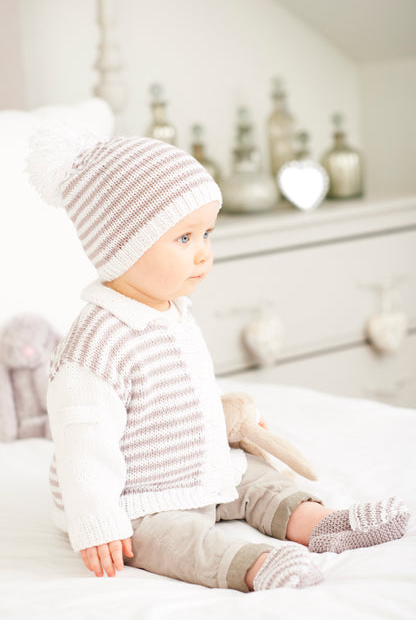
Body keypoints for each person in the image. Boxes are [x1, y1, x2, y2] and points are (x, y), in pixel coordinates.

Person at [27, 132, 410, 592]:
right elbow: (82, 443)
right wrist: (96, 520)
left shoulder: (172, 311)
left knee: (258, 479)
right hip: (140, 497)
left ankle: (323, 524)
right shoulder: (94, 346)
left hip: (197, 466)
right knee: (171, 539)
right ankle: (253, 564)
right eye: (184, 237)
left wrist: (216, 418)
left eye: (207, 233)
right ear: (122, 246)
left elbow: (177, 389)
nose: (204, 252)